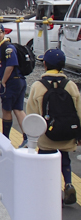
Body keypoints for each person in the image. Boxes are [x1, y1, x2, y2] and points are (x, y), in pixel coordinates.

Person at [26, 48, 81, 205]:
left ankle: (51, 190)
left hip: (46, 136)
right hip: (67, 133)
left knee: (46, 161)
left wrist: (30, 136)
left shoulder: (38, 86)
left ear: (44, 65)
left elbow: (32, 115)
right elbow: (79, 111)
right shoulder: (71, 85)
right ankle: (69, 184)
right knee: (65, 159)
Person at [0, 22, 28, 148]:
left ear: (3, 33)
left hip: (12, 81)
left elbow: (10, 65)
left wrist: (3, 81)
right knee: (18, 109)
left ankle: (5, 139)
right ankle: (27, 137)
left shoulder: (7, 47)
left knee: (6, 109)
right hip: (18, 81)